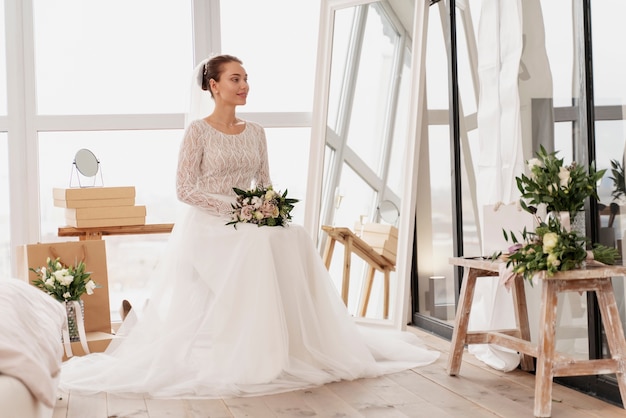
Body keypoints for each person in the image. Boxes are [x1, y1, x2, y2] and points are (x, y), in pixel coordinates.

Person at [59, 54, 439, 398]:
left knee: (295, 236)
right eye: (235, 79)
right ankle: (257, 355)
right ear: (214, 86)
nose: (244, 87)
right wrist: (236, 209)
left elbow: (265, 184)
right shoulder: (198, 131)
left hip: (249, 218)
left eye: (246, 79)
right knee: (257, 246)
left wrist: (267, 208)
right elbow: (184, 189)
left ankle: (298, 345)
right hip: (209, 224)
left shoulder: (256, 131)